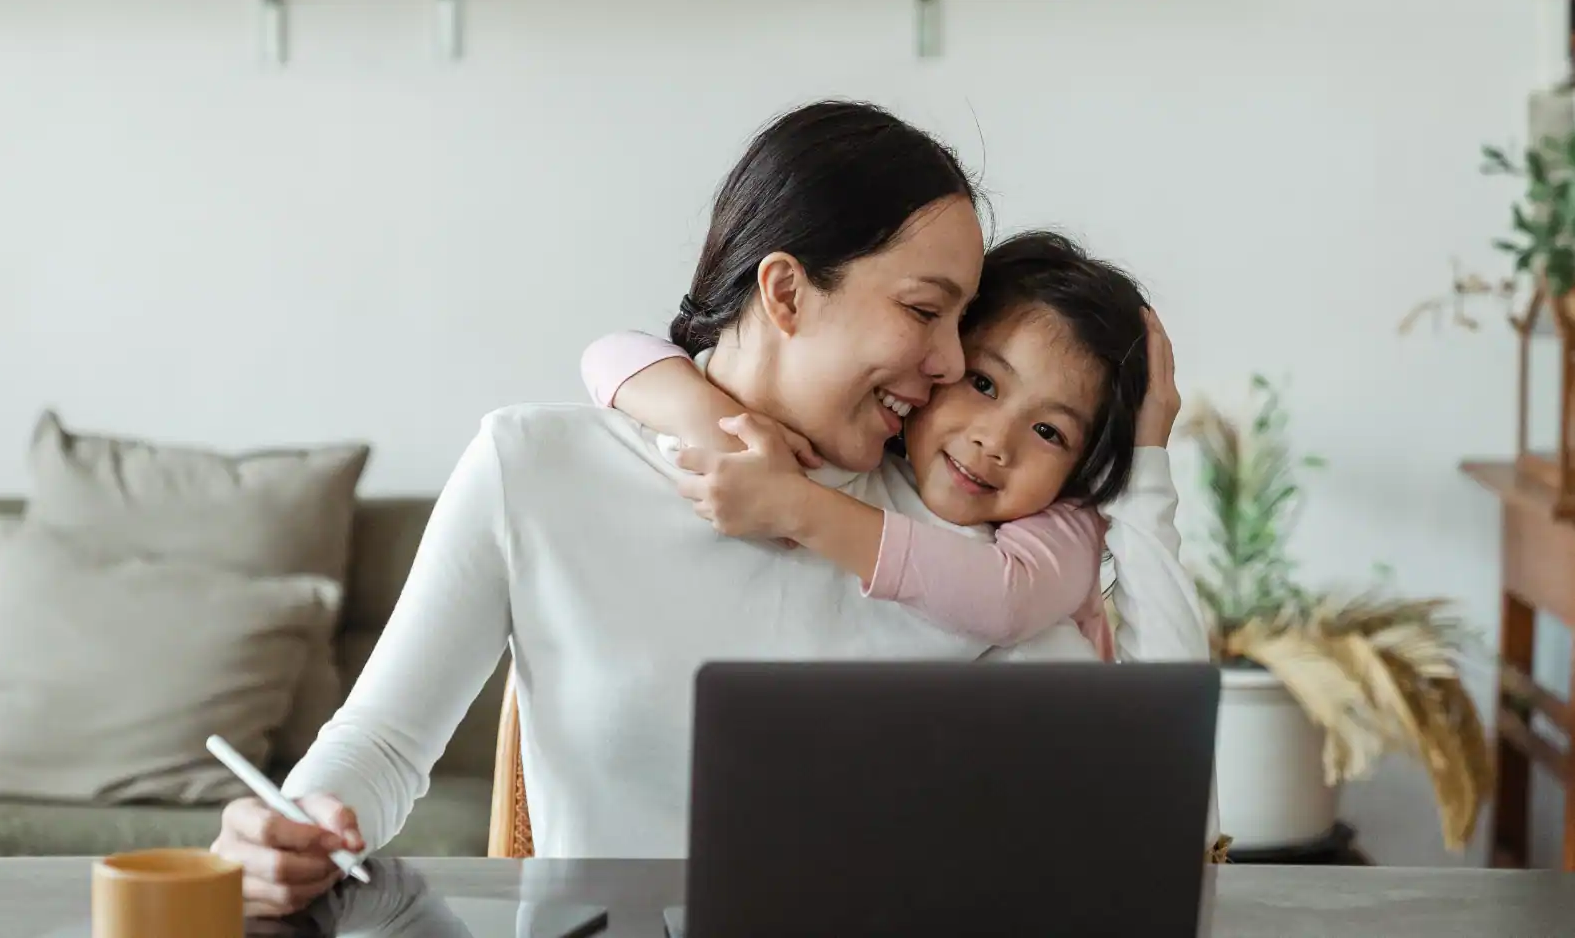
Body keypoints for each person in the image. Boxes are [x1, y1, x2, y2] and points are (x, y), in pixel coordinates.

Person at [211, 100, 1211, 919]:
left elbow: (1155, 806)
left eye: (962, 323)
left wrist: (1148, 470)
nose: (950, 365)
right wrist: (293, 823)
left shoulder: (966, 542)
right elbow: (383, 747)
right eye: (922, 311)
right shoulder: (535, 468)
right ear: (785, 292)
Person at [578, 230, 1186, 660]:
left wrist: (796, 506)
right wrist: (709, 420)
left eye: (1050, 432)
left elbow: (1004, 598)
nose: (995, 442)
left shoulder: (1063, 522)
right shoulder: (870, 448)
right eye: (983, 383)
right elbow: (610, 352)